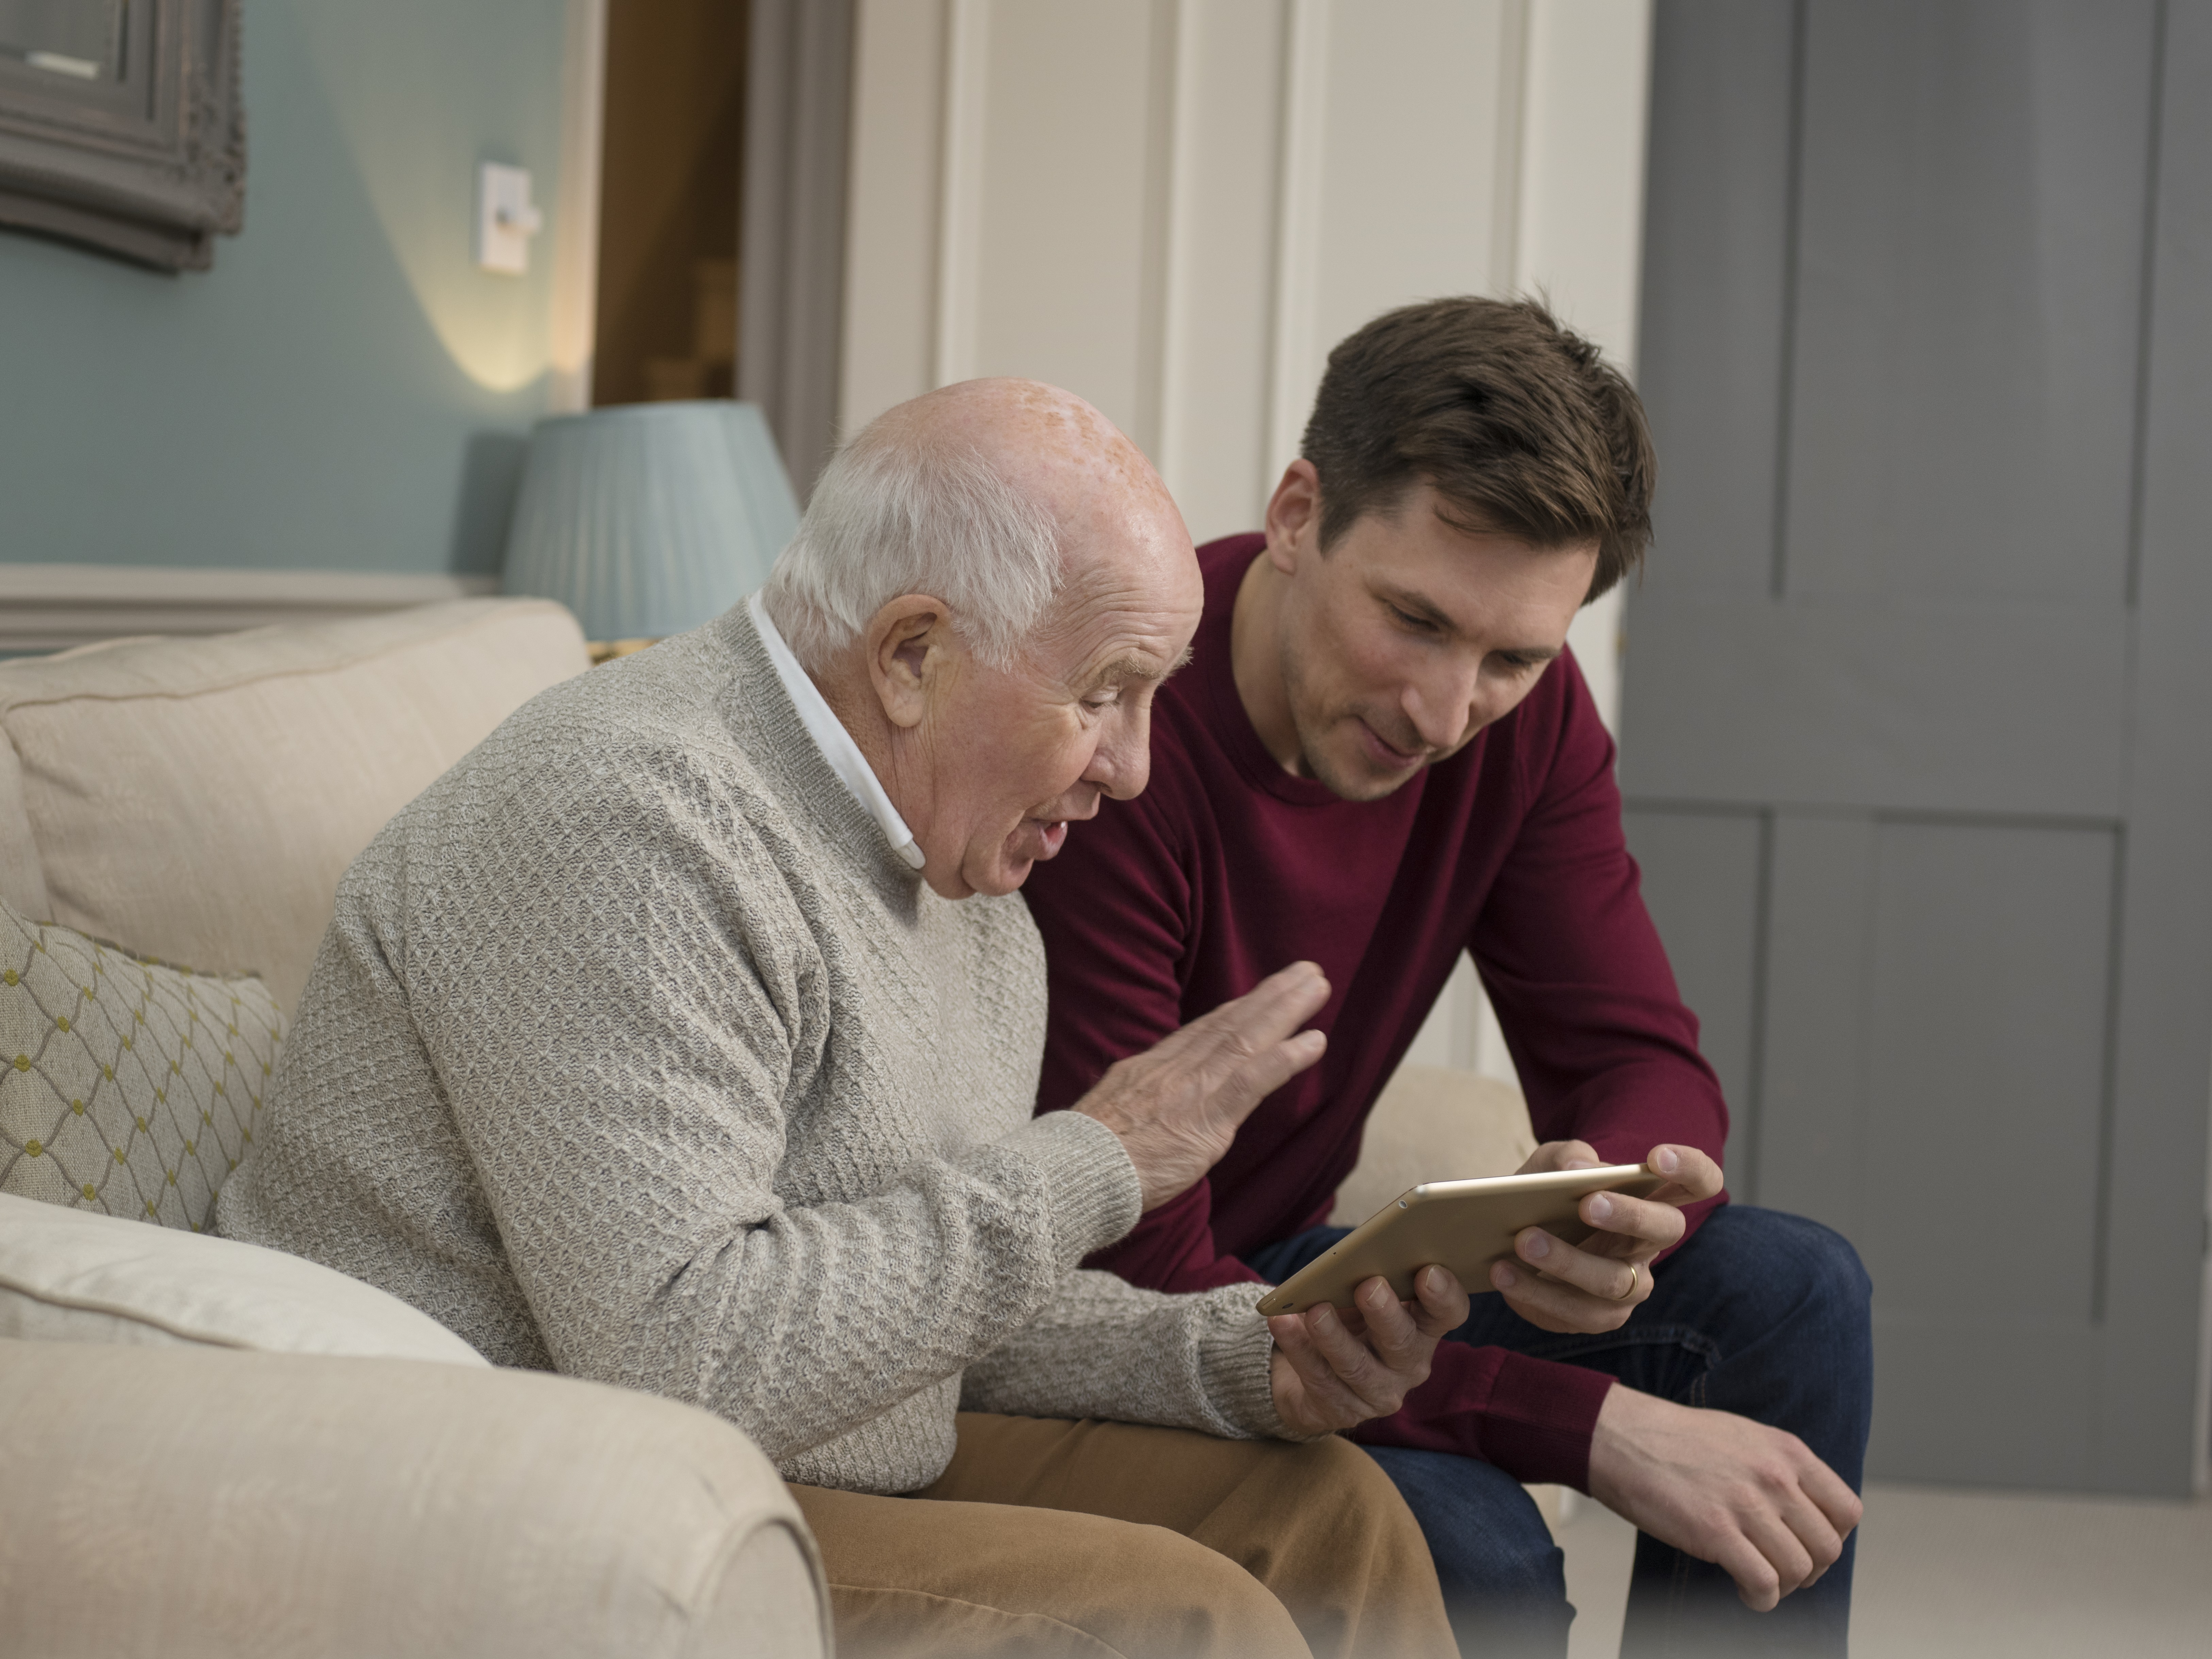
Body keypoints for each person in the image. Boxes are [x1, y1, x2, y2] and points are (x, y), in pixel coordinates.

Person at [218, 379, 1469, 1659]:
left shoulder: (966, 871)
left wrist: (1246, 1357)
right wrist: (1098, 1160)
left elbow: (923, 1299)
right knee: (1185, 1618)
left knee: (1334, 1521)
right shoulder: (634, 820)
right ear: (911, 654)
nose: (1134, 766)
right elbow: (682, 1353)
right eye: (1103, 692)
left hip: (786, 1460)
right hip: (523, 1492)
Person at [1020, 299, 1875, 1657]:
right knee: (1477, 1541)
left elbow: (1634, 1046)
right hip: (1118, 1318)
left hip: (1308, 1269)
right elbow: (1136, 1266)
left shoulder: (1520, 725)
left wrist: (1617, 1198)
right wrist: (1586, 1425)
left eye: (1512, 656)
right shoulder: (1116, 743)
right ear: (1299, 512)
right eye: (1413, 620)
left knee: (1796, 1291)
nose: (1444, 710)